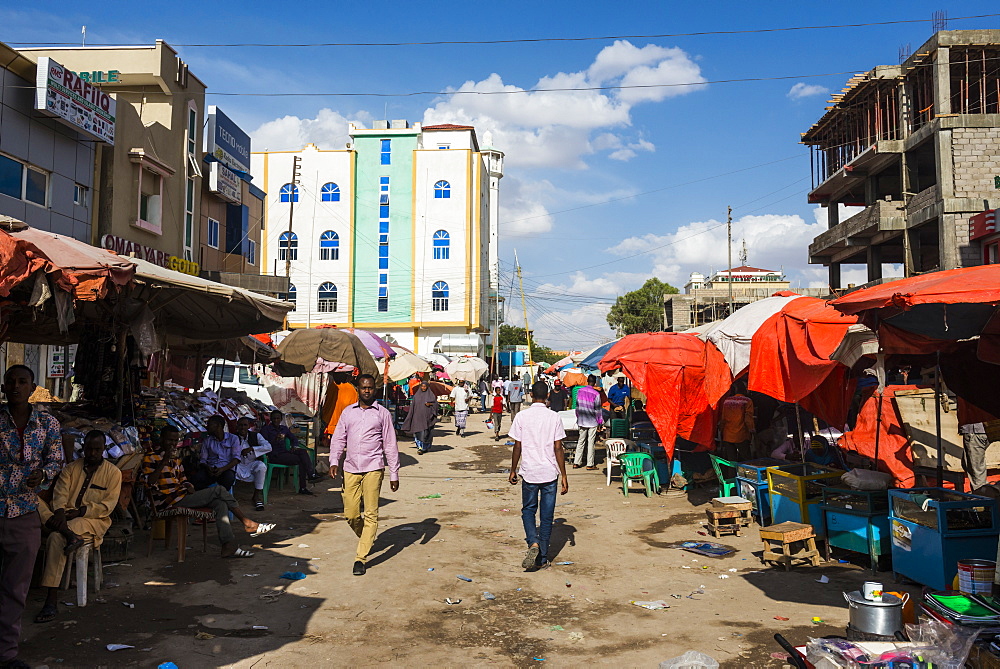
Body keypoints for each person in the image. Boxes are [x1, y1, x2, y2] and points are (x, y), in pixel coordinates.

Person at [0, 365, 64, 665]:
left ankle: (7, 654)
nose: (15, 386)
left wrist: (43, 475)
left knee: (16, 589)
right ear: (3, 386)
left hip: (24, 512)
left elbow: (55, 461)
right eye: (10, 381)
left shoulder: (48, 424)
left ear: (32, 387)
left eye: (22, 382)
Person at [142, 425, 273, 558]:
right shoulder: (151, 457)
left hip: (181, 495)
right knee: (219, 490)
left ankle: (228, 545)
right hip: (167, 501)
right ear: (162, 439)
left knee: (220, 504)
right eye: (170, 440)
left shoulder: (175, 459)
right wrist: (163, 461)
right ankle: (247, 522)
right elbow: (149, 483)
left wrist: (188, 485)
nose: (173, 444)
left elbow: (183, 479)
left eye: (175, 441)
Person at [34, 430, 122, 624]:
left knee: (56, 537)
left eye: (96, 450)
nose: (92, 454)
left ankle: (51, 599)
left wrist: (80, 512)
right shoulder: (71, 469)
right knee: (33, 501)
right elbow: (60, 494)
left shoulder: (113, 473)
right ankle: (67, 532)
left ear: (103, 449)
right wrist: (59, 513)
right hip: (63, 516)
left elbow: (107, 506)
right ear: (84, 448)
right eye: (89, 449)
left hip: (93, 520)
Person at [330, 374, 401, 576]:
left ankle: (360, 558)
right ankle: (366, 537)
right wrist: (334, 461)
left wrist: (394, 473)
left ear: (375, 390)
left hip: (373, 467)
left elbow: (390, 444)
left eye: (370, 388)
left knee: (371, 513)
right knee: (351, 514)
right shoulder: (347, 413)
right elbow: (338, 439)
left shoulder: (383, 414)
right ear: (358, 389)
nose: (367, 391)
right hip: (350, 467)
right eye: (363, 388)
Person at [509, 381, 568, 571]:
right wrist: (564, 475)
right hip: (550, 473)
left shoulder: (521, 416)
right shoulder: (554, 417)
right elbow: (558, 447)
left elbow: (517, 446)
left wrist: (513, 469)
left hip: (530, 471)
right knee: (547, 516)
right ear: (548, 395)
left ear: (531, 394)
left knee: (528, 510)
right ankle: (542, 557)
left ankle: (533, 542)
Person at [260, 410, 321, 495]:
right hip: (274, 455)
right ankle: (305, 484)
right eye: (274, 418)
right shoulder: (266, 429)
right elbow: (264, 445)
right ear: (271, 419)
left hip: (284, 452)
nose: (276, 420)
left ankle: (311, 475)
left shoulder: (283, 429)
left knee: (302, 452)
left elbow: (293, 438)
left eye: (278, 418)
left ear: (281, 419)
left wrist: (294, 446)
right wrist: (274, 440)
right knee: (301, 460)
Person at [232, 417, 271, 510]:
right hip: (237, 464)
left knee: (261, 466)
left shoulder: (256, 436)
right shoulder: (233, 437)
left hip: (251, 464)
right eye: (240, 425)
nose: (242, 428)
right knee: (229, 468)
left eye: (245, 425)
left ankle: (256, 497)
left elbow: (268, 447)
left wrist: (252, 448)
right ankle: (231, 497)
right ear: (237, 427)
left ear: (249, 426)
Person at [194, 415, 241, 491]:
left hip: (226, 469)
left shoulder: (233, 438)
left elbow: (236, 459)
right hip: (211, 470)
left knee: (228, 478)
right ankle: (207, 497)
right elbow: (203, 460)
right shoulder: (207, 440)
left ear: (218, 426)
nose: (207, 427)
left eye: (210, 424)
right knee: (197, 478)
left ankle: (222, 498)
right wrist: (207, 467)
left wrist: (222, 469)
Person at [574, 375, 604, 471]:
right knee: (591, 443)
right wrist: (600, 422)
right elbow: (598, 410)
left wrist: (578, 417)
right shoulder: (596, 394)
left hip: (582, 420)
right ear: (595, 383)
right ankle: (589, 464)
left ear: (587, 381)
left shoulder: (579, 391)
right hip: (592, 421)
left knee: (581, 441)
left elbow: (577, 407)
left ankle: (576, 462)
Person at [719, 384, 756, 461]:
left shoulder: (727, 401)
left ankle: (731, 473)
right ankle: (745, 473)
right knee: (746, 459)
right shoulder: (747, 401)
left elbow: (723, 418)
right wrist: (752, 430)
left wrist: (722, 431)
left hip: (727, 434)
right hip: (741, 434)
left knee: (731, 460)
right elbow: (748, 418)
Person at [402, 380, 438, 454]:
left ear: (427, 387)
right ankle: (420, 447)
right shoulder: (417, 396)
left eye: (425, 386)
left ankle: (425, 447)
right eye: (422, 386)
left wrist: (430, 404)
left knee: (426, 433)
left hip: (427, 418)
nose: (423, 388)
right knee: (418, 432)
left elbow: (436, 405)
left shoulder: (431, 395)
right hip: (417, 418)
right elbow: (413, 407)